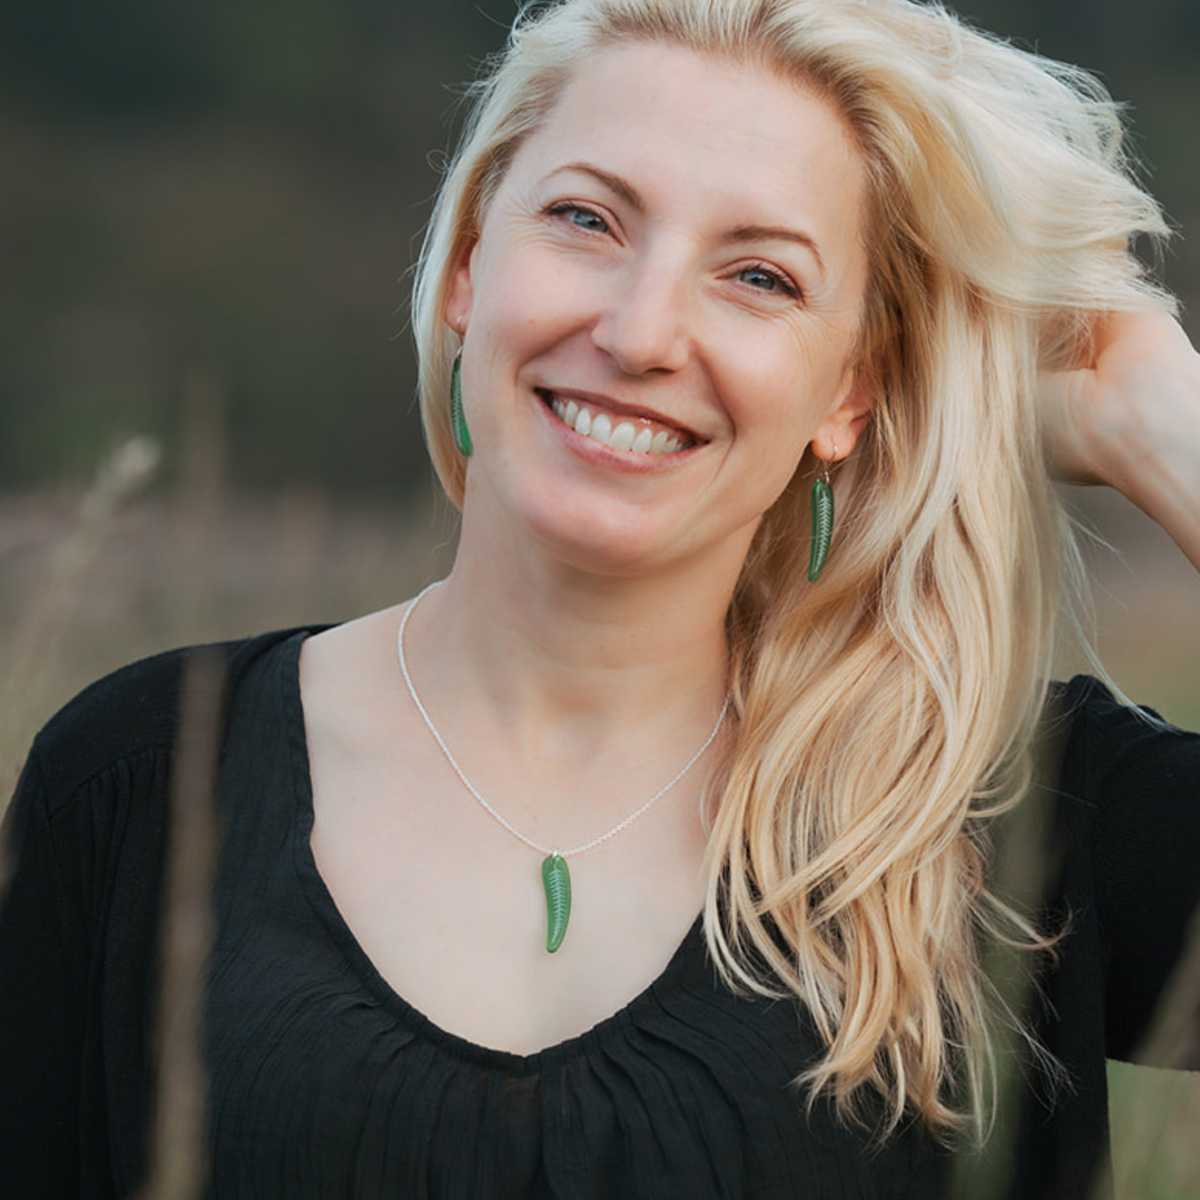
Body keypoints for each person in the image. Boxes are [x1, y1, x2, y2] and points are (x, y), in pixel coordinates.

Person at [2, 0, 1198, 1196]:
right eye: (586, 219)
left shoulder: (1006, 818)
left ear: (851, 390)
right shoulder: (143, 780)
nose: (639, 332)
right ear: (471, 268)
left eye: (760, 277)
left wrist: (1161, 423)